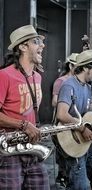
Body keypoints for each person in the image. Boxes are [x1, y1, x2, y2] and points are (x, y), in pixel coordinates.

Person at [0, 25, 50, 190]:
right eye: (36, 42)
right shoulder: (4, 75)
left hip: (31, 147)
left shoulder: (38, 77)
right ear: (22, 47)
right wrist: (23, 125)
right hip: (9, 150)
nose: (42, 46)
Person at [56, 49, 92, 190]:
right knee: (79, 186)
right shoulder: (69, 85)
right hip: (71, 141)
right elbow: (61, 114)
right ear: (86, 68)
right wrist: (81, 128)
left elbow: (86, 116)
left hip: (85, 141)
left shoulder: (87, 87)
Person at [52, 53, 78, 186]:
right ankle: (62, 178)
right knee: (64, 155)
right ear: (71, 65)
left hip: (75, 122)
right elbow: (54, 102)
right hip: (63, 123)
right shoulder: (61, 81)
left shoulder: (79, 82)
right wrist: (66, 100)